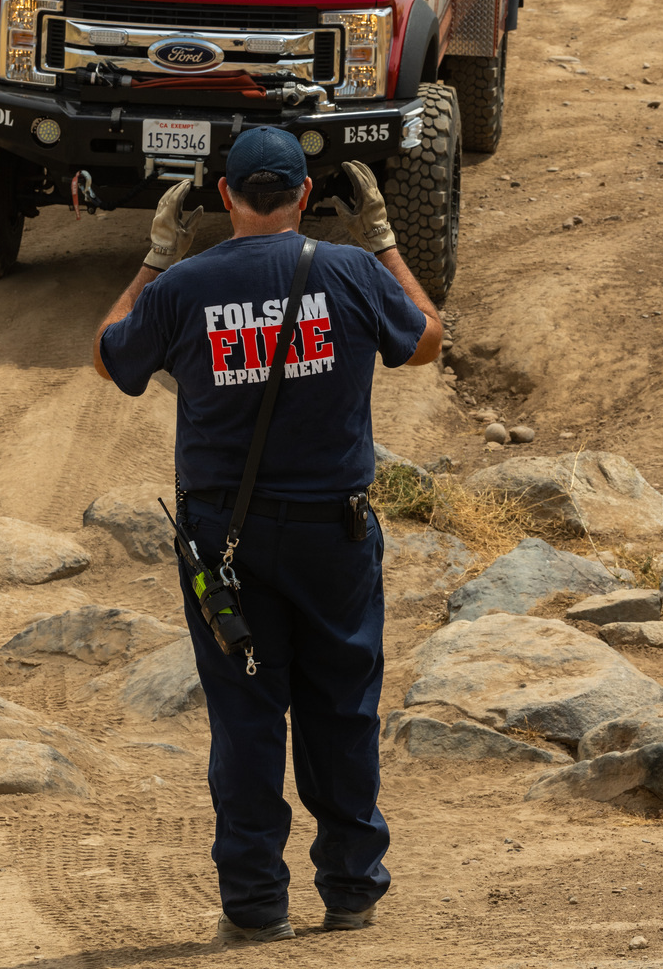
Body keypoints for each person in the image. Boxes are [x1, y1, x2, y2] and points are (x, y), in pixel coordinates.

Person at [93, 129, 442, 943]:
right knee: (342, 709)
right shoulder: (352, 273)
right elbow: (426, 341)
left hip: (227, 544)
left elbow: (113, 360)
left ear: (224, 197)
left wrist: (153, 255)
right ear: (305, 192)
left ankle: (255, 908)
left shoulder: (185, 286)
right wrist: (384, 241)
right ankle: (351, 892)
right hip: (336, 538)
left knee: (247, 720)